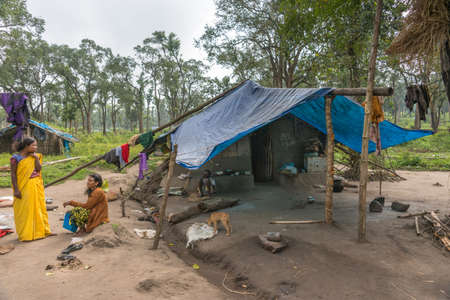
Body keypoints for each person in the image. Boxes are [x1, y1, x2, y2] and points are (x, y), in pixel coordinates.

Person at [10, 137, 52, 241]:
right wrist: (16, 189)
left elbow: (38, 169)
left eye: (36, 145)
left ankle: (41, 232)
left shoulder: (36, 156)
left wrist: (36, 159)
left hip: (36, 185)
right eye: (33, 145)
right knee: (26, 210)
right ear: (26, 146)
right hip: (25, 186)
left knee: (39, 208)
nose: (35, 147)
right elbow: (13, 174)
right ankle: (26, 235)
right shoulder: (16, 158)